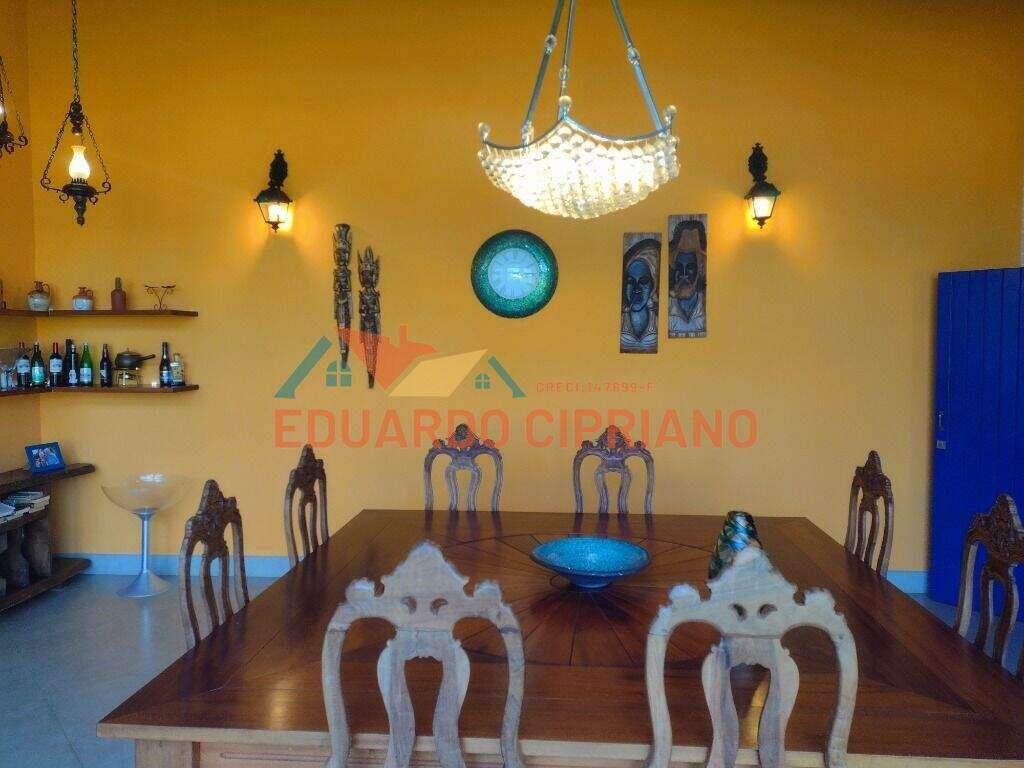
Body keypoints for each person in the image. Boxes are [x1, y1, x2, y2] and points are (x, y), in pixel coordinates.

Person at [667, 218, 707, 338]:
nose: (683, 274)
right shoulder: (667, 307)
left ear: (698, 269)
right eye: (679, 267)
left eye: (690, 268)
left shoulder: (705, 305)